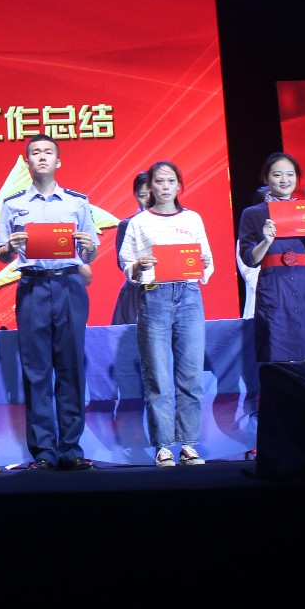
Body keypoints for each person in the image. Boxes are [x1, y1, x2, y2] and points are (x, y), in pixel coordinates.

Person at [0, 134, 99, 471]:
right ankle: (44, 450)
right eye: (36, 152)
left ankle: (71, 448)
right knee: (36, 370)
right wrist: (10, 246)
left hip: (69, 284)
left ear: (58, 161)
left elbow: (90, 252)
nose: (42, 157)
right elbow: (1, 254)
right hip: (33, 286)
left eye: (48, 152)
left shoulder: (76, 202)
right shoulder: (13, 204)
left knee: (71, 367)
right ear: (27, 162)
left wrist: (89, 247)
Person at [118, 162, 214, 467]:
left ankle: (189, 444)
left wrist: (201, 263)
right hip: (154, 296)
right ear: (150, 186)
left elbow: (207, 260)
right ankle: (163, 446)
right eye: (159, 181)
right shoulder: (139, 222)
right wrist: (138, 265)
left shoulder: (192, 218)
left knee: (190, 374)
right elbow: (126, 261)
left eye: (171, 181)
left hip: (189, 296)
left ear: (178, 185)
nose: (165, 186)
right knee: (158, 374)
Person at [237, 152, 305, 362]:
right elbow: (249, 259)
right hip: (274, 287)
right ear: (266, 178)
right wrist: (266, 241)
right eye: (277, 174)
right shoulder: (253, 213)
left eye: (290, 174)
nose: (284, 180)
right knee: (280, 356)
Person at [110, 178, 150, 325]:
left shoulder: (175, 221)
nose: (147, 200)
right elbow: (122, 264)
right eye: (142, 195)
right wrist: (139, 265)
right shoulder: (127, 225)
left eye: (151, 194)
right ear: (135, 195)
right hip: (137, 291)